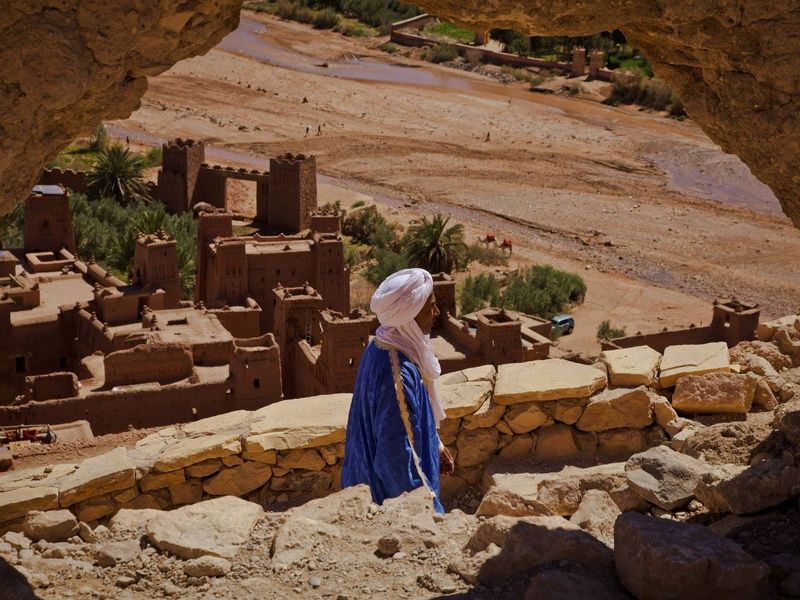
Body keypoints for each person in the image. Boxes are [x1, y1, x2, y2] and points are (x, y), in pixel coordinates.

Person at [342, 268, 454, 513]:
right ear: (410, 316)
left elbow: (410, 422)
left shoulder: (381, 345)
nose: (436, 312)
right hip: (389, 504)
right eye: (430, 307)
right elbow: (395, 462)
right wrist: (428, 511)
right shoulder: (398, 374)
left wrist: (436, 446)